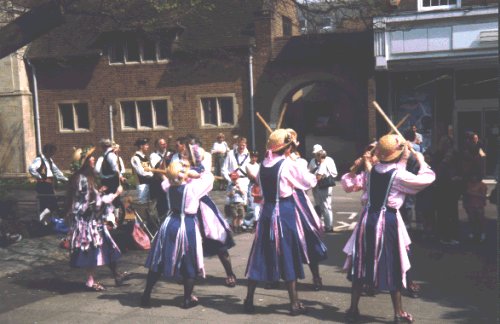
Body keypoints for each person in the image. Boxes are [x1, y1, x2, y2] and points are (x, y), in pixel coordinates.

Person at [341, 134, 435, 323]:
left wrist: (405, 155)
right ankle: (398, 313)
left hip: (367, 219)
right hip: (387, 220)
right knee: (393, 262)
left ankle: (353, 308)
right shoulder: (398, 175)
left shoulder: (372, 171)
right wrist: (421, 159)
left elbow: (349, 182)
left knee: (362, 260)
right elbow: (425, 179)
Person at [244, 129, 317, 316]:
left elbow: (259, 185)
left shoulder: (263, 165)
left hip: (267, 213)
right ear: (287, 147)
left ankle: (249, 299)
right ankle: (294, 303)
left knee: (259, 252)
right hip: (283, 212)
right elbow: (309, 182)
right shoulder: (288, 165)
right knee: (287, 253)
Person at [141, 160, 214, 309]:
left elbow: (166, 180)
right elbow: (209, 178)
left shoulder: (169, 185)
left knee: (159, 259)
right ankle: (187, 299)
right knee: (189, 261)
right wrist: (197, 172)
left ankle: (146, 295)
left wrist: (185, 173)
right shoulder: (193, 188)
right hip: (185, 225)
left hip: (168, 224)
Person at [65, 146, 127, 291]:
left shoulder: (83, 178)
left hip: (89, 220)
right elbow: (94, 203)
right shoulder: (84, 179)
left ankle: (114, 275)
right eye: (90, 158)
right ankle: (91, 281)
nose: (93, 159)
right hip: (87, 223)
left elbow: (87, 198)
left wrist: (98, 192)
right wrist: (115, 194)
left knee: (105, 246)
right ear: (85, 162)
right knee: (92, 250)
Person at [287, 129, 327, 291]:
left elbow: (309, 182)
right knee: (283, 240)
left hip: (298, 202)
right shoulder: (276, 161)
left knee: (308, 237)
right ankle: (283, 277)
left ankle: (316, 276)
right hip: (281, 203)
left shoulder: (299, 162)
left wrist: (319, 172)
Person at [29, 143, 68, 224]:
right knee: (52, 205)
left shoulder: (49, 160)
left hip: (49, 185)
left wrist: (66, 179)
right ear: (47, 151)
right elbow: (31, 168)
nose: (52, 154)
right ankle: (40, 219)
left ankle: (44, 224)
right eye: (52, 152)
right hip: (43, 185)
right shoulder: (39, 159)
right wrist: (40, 177)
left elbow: (56, 171)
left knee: (47, 205)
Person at [308, 145, 337, 232]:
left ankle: (329, 226)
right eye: (315, 154)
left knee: (326, 206)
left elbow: (334, 173)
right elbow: (309, 171)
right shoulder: (313, 161)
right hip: (316, 187)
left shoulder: (328, 160)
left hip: (325, 186)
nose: (316, 155)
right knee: (318, 206)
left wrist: (324, 170)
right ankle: (319, 224)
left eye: (318, 153)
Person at [130, 138, 158, 230]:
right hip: (142, 184)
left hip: (149, 182)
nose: (147, 146)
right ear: (141, 146)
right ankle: (139, 227)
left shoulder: (145, 157)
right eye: (146, 145)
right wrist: (152, 173)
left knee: (149, 205)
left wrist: (153, 173)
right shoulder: (135, 158)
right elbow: (141, 172)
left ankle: (148, 225)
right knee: (142, 206)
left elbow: (149, 168)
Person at [150, 138, 173, 220]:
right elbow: (157, 168)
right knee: (162, 204)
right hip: (159, 183)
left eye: (165, 143)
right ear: (157, 146)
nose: (164, 145)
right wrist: (164, 159)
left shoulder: (171, 154)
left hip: (171, 182)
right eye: (162, 144)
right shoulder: (153, 155)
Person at [463, 174, 487, 242]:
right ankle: (472, 233)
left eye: (475, 176)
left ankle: (482, 234)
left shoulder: (482, 185)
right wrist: (465, 204)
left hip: (479, 205)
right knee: (471, 220)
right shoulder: (468, 184)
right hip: (470, 205)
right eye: (472, 176)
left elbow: (483, 195)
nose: (474, 177)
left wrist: (471, 193)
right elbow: (465, 195)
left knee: (480, 220)